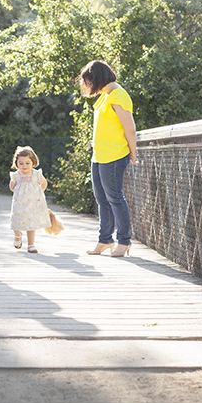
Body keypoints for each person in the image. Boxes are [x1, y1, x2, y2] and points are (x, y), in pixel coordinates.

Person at [78, 61, 138, 257]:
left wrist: (133, 152)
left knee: (115, 198)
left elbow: (130, 128)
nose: (87, 85)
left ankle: (124, 240)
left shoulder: (119, 96)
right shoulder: (106, 97)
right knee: (102, 199)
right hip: (99, 156)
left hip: (114, 155)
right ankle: (105, 240)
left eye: (88, 80)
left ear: (97, 78)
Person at [9, 146, 50, 253]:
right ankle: (17, 236)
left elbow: (44, 183)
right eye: (21, 163)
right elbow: (12, 187)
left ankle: (31, 245)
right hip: (19, 204)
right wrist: (20, 194)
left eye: (27, 163)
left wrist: (38, 194)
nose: (24, 166)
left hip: (32, 204)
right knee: (16, 221)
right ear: (16, 163)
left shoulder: (36, 174)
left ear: (33, 162)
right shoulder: (16, 175)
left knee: (31, 224)